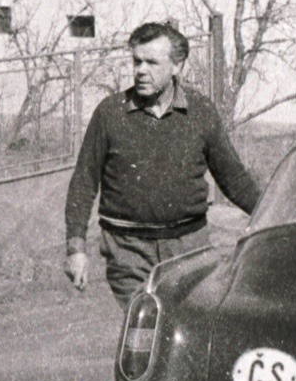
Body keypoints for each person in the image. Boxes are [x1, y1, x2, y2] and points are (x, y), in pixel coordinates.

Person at [64, 21, 261, 307]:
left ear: (177, 66)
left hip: (189, 249)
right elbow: (83, 181)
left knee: (190, 333)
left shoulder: (201, 112)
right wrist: (76, 248)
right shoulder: (110, 113)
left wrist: (275, 217)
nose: (140, 70)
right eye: (136, 61)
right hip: (128, 251)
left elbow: (234, 179)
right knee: (146, 333)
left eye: (151, 63)